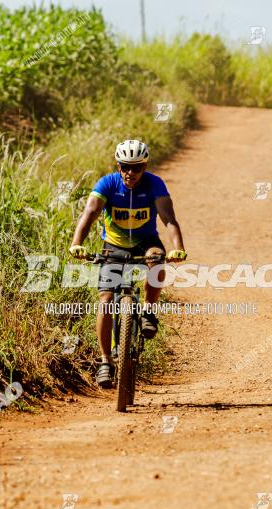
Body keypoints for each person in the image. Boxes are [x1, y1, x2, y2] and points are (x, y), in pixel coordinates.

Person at [69, 139, 187, 388]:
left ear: (145, 167)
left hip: (145, 240)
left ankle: (148, 312)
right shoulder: (107, 183)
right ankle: (104, 361)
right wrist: (77, 243)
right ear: (118, 165)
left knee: (157, 259)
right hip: (114, 245)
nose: (130, 173)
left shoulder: (155, 184)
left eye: (137, 168)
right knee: (105, 301)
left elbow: (168, 219)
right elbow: (90, 213)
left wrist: (178, 248)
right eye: (125, 167)